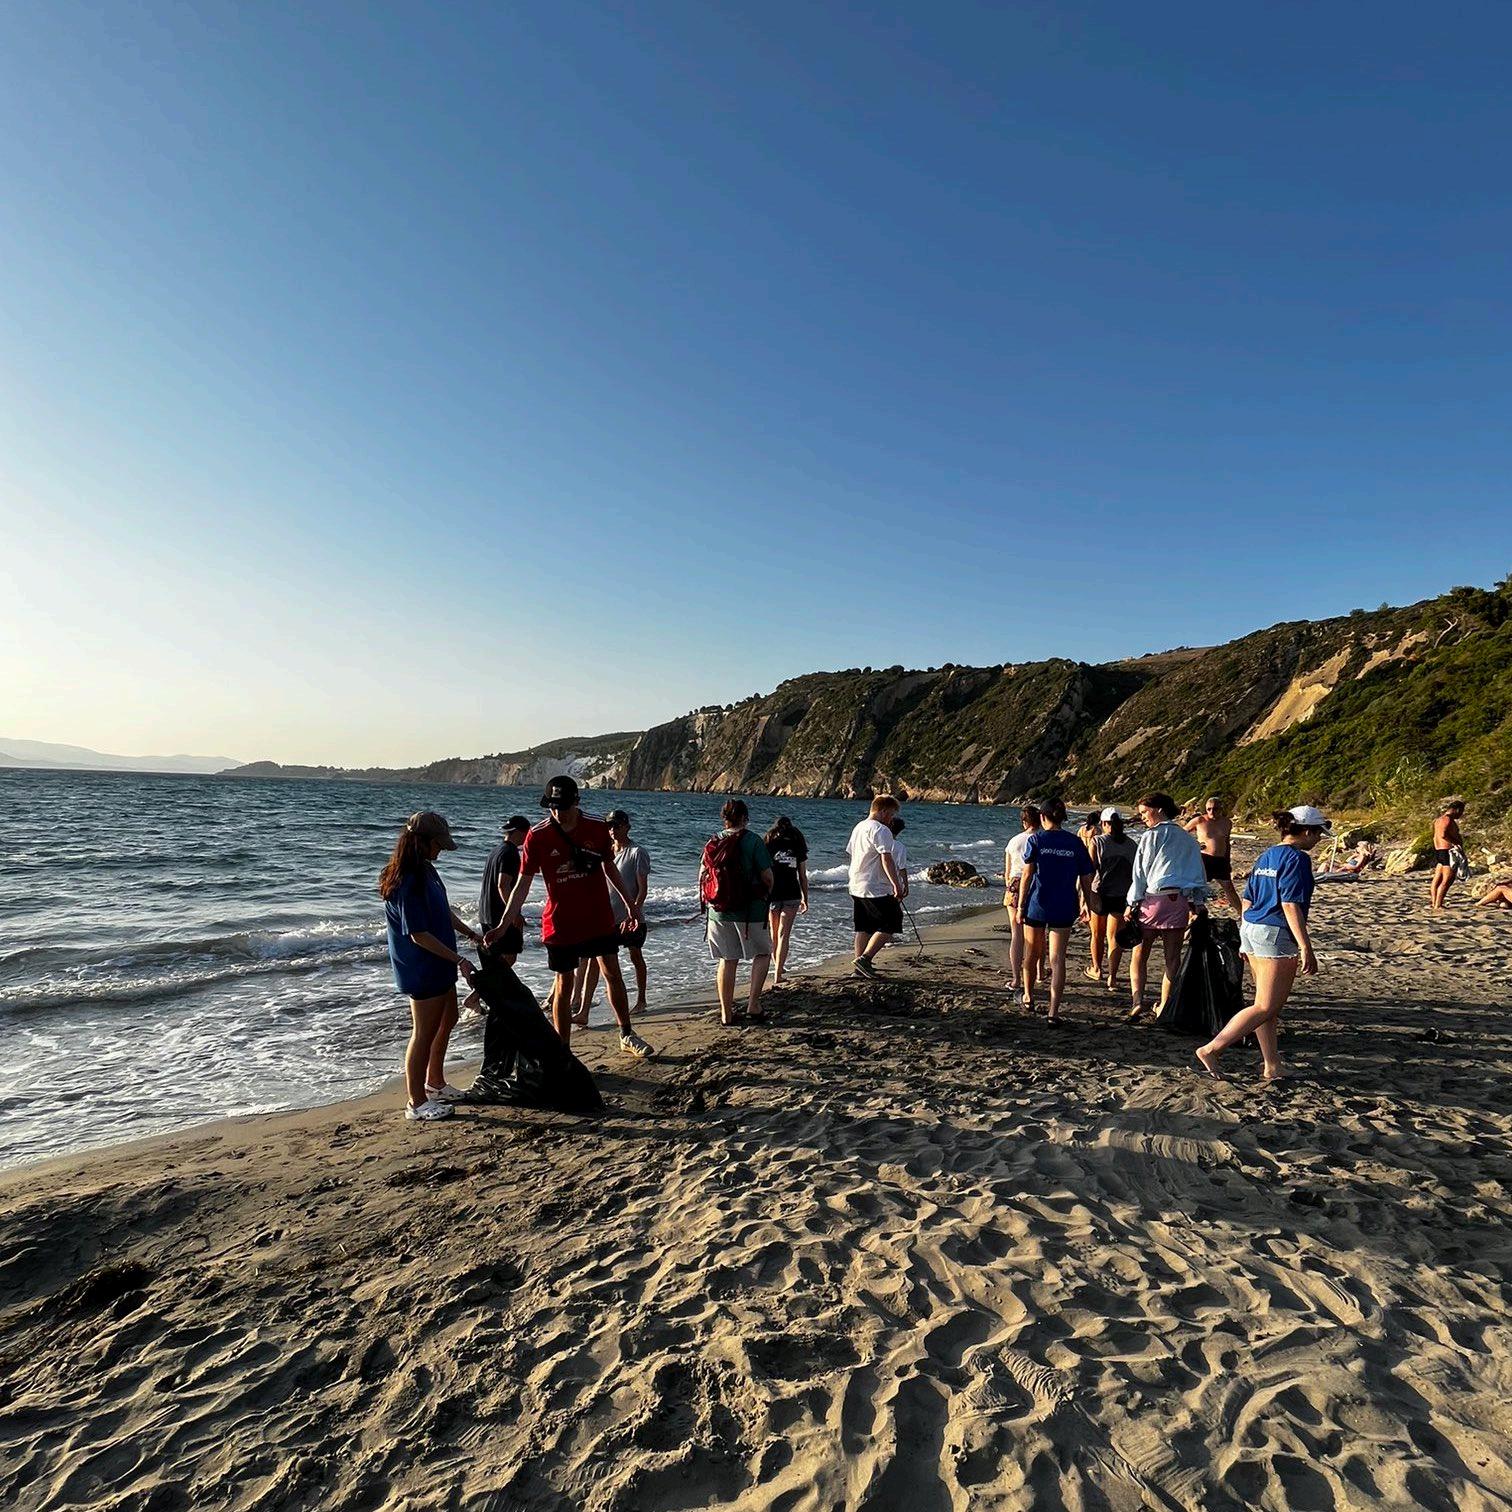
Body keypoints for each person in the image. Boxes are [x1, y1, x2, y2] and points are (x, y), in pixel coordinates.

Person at [491, 775, 655, 1059]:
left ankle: (626, 1033)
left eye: (564, 806)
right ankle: (563, 1052)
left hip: (598, 917)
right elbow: (522, 884)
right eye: (553, 807)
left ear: (576, 802)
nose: (559, 812)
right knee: (564, 984)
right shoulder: (537, 836)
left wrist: (632, 905)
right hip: (560, 923)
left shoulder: (597, 827)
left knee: (611, 972)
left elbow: (610, 869)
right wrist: (505, 923)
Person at [1197, 806, 1330, 1082]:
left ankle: (1272, 1064)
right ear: (1307, 831)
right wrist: (1305, 946)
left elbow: (1248, 899)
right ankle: (1212, 1049)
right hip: (1274, 933)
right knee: (1265, 1006)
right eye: (1318, 833)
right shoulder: (1297, 859)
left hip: (1253, 927)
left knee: (1266, 1005)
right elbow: (1290, 904)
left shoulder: (1267, 855)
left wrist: (1245, 936)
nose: (1318, 839)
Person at [379, 811, 483, 1122]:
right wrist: (460, 960)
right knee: (423, 1033)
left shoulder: (427, 870)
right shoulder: (406, 879)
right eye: (438, 845)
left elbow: (442, 911)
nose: (441, 851)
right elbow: (418, 934)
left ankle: (435, 1082)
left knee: (449, 1018)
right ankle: (416, 1102)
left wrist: (470, 933)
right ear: (421, 842)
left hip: (441, 961)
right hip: (421, 966)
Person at [1125, 792, 1209, 1022]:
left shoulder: (1151, 836)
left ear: (1159, 809)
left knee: (1139, 954)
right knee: (1172, 959)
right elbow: (1198, 874)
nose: (1142, 817)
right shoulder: (1187, 838)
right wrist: (1197, 903)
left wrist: (1132, 903)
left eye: (1145, 812)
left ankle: (1137, 1001)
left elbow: (1140, 873)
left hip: (1153, 900)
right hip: (1177, 902)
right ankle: (1164, 1005)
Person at [1018, 798, 1095, 1022]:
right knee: (1058, 958)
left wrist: (1021, 905)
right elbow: (1087, 877)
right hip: (1064, 904)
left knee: (1031, 953)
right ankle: (1053, 1011)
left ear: (1042, 817)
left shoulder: (1036, 840)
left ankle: (1028, 996)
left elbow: (1027, 875)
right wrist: (1088, 905)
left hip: (1038, 904)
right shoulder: (1075, 842)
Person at [699, 799, 774, 1025]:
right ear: (744, 817)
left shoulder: (713, 841)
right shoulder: (753, 841)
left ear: (724, 818)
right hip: (750, 911)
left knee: (727, 959)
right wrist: (767, 894)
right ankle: (753, 1005)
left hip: (718, 911)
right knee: (763, 953)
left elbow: (702, 876)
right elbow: (767, 877)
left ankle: (726, 1013)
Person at [572, 809, 653, 1020]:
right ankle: (584, 1011)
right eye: (609, 826)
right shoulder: (605, 852)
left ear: (627, 827)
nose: (612, 830)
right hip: (606, 918)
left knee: (635, 956)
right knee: (595, 961)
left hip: (631, 918)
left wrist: (633, 912)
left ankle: (641, 1000)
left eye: (617, 825)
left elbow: (642, 889)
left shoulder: (637, 852)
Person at [846, 795, 904, 979]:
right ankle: (865, 959)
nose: (892, 819)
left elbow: (851, 853)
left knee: (863, 926)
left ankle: (859, 968)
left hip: (856, 883)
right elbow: (886, 859)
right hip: (875, 885)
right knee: (892, 921)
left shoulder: (859, 827)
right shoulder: (881, 829)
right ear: (883, 811)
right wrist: (896, 884)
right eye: (891, 814)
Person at [1088, 807, 1137, 990]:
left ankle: (1097, 969)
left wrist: (1083, 897)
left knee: (1097, 934)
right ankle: (1113, 978)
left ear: (1104, 823)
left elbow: (1090, 870)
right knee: (1114, 938)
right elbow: (1136, 874)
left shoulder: (1097, 841)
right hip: (1122, 895)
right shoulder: (1132, 845)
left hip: (1099, 893)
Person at [764, 816, 809, 988]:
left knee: (774, 934)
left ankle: (777, 967)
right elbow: (802, 876)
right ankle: (778, 973)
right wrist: (806, 898)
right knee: (784, 934)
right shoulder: (797, 844)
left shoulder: (768, 844)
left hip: (773, 894)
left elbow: (764, 872)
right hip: (791, 893)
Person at [1002, 803, 1040, 994]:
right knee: (1037, 932)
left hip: (1015, 883)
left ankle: (1016, 978)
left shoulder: (1014, 841)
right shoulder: (1041, 839)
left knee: (1016, 934)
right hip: (1036, 883)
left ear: (1024, 822)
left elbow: (1007, 873)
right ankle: (1039, 972)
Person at [1185, 796, 1243, 912]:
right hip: (1204, 859)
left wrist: (1227, 861)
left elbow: (1226, 842)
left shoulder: (1227, 823)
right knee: (1194, 888)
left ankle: (1242, 915)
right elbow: (1181, 833)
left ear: (1221, 809)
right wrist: (1194, 845)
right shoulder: (1200, 820)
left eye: (1215, 809)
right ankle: (1191, 914)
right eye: (1209, 809)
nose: (1212, 811)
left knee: (1229, 889)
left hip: (1221, 860)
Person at [1429, 798, 1468, 911]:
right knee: (1447, 880)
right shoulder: (1448, 820)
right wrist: (1456, 843)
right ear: (1457, 810)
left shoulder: (1438, 820)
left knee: (1437, 879)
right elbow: (1443, 834)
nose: (1461, 815)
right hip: (1448, 852)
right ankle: (1438, 905)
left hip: (1439, 851)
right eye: (1461, 812)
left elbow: (1436, 836)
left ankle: (1434, 903)